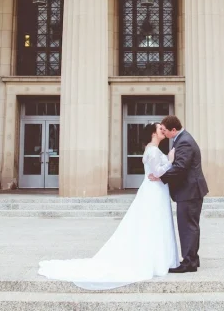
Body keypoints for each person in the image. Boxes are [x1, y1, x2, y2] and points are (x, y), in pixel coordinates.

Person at [38, 123, 179, 290]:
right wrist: (170, 161)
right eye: (159, 128)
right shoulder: (154, 150)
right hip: (154, 191)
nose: (162, 130)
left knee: (154, 223)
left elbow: (155, 173)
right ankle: (155, 260)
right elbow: (157, 173)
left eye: (163, 128)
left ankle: (159, 258)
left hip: (155, 190)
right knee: (154, 222)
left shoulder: (152, 148)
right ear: (153, 133)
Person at [148, 115, 208, 273]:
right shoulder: (181, 139)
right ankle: (192, 259)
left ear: (173, 130)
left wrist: (161, 176)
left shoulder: (184, 141)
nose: (164, 133)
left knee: (187, 226)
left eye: (166, 130)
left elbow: (181, 167)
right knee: (189, 226)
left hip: (189, 191)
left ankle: (189, 262)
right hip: (189, 191)